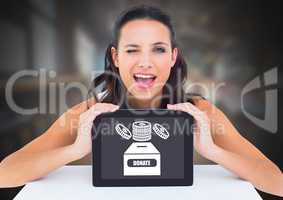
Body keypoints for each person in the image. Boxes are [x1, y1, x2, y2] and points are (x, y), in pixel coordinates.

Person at [0, 5, 282, 197]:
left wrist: (214, 151)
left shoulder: (199, 113)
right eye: (132, 49)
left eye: (158, 50)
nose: (145, 63)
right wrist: (73, 151)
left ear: (172, 57)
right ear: (115, 57)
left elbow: (276, 181)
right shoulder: (89, 114)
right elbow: (5, 174)